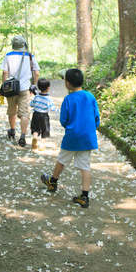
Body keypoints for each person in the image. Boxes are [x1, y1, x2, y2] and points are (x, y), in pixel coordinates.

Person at [41, 68, 100, 208]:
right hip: (87, 138)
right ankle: (84, 196)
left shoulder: (68, 99)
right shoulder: (90, 96)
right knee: (85, 166)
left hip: (72, 136)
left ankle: (53, 182)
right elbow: (96, 118)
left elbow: (64, 120)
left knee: (62, 160)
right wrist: (90, 129)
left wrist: (71, 127)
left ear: (67, 83)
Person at [1, 35, 40, 147]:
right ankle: (22, 137)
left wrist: (4, 86)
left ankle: (12, 130)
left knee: (12, 110)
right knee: (24, 112)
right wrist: (33, 84)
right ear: (24, 44)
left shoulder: (8, 56)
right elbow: (36, 73)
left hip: (11, 88)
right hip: (25, 88)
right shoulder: (30, 56)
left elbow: (4, 72)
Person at [30, 78, 58, 150]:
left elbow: (31, 104)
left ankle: (35, 137)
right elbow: (52, 108)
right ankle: (42, 145)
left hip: (36, 114)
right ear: (48, 88)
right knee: (45, 130)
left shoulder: (36, 97)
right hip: (44, 116)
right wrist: (57, 110)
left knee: (35, 128)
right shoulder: (48, 98)